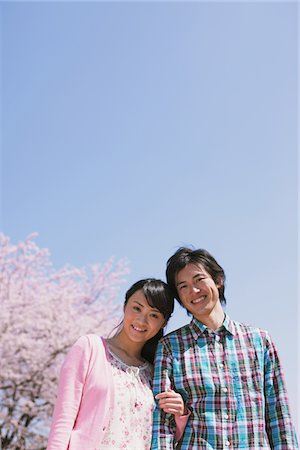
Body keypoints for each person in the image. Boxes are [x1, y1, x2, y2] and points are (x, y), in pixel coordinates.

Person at [151, 247, 299, 449]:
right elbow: (162, 423)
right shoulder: (170, 347)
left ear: (218, 280)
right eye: (183, 286)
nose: (193, 291)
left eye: (199, 280)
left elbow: (278, 414)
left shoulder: (259, 341)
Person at [47, 278, 188, 450]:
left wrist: (180, 414)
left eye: (154, 315)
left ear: (163, 323)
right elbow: (63, 419)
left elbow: (166, 436)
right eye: (137, 308)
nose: (142, 320)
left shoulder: (155, 373)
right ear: (124, 306)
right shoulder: (90, 348)